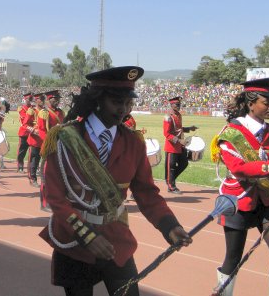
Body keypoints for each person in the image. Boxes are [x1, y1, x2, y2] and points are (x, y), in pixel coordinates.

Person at [39, 66, 191, 296]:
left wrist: (169, 226)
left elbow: (147, 193)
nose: (123, 110)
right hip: (75, 243)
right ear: (98, 100)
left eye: (128, 103)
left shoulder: (134, 142)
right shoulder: (65, 138)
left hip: (116, 240)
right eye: (116, 102)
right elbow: (55, 196)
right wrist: (87, 235)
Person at [211, 77, 269, 296]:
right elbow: (238, 168)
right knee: (233, 258)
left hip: (265, 202)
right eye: (265, 101)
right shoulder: (231, 132)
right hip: (237, 201)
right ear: (251, 103)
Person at [163, 96, 198, 194]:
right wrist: (179, 140)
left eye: (179, 105)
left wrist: (189, 128)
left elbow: (178, 128)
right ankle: (171, 186)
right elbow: (167, 134)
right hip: (172, 146)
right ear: (171, 105)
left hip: (179, 145)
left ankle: (170, 180)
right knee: (172, 166)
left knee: (184, 163)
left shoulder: (178, 115)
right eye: (177, 105)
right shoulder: (168, 117)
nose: (179, 106)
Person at [37, 90, 64, 212]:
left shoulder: (61, 113)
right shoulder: (44, 113)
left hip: (60, 147)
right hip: (49, 147)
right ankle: (44, 203)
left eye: (58, 98)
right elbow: (42, 130)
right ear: (49, 99)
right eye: (55, 99)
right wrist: (50, 142)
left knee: (57, 176)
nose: (57, 100)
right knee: (46, 175)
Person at [25, 93, 46, 188]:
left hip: (44, 140)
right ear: (36, 100)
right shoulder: (31, 111)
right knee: (34, 160)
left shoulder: (46, 111)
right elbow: (25, 125)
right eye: (40, 99)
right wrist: (33, 130)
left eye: (43, 99)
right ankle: (32, 178)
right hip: (35, 140)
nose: (42, 101)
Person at [16, 92, 33, 173]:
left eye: (31, 99)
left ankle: (32, 167)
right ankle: (20, 166)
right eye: (29, 99)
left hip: (32, 132)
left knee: (33, 152)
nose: (30, 101)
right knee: (22, 151)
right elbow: (25, 120)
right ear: (25, 99)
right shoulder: (22, 108)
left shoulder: (33, 108)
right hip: (24, 132)